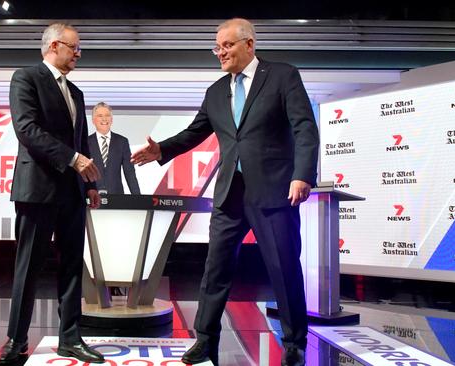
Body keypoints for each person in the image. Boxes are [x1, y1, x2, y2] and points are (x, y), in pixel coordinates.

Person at [131, 18, 319, 366]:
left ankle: (294, 342)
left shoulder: (282, 76)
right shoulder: (217, 91)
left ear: (249, 44)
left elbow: (304, 126)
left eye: (227, 45)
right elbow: (195, 132)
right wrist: (162, 151)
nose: (220, 52)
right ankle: (204, 339)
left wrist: (302, 174)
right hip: (230, 195)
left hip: (275, 192)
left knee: (284, 269)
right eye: (217, 47)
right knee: (214, 270)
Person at [0, 23, 105, 365]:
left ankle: (70, 339)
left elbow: (80, 142)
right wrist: (73, 160)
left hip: (72, 193)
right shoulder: (25, 78)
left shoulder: (76, 92)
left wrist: (89, 184)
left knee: (73, 267)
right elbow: (26, 129)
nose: (78, 53)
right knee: (28, 268)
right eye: (74, 47)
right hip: (38, 190)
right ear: (54, 45)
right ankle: (16, 341)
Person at [89, 102, 141, 195]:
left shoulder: (122, 142)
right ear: (93, 120)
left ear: (112, 119)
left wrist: (139, 199)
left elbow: (129, 172)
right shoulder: (85, 142)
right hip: (91, 197)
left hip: (117, 197)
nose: (104, 119)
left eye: (107, 115)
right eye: (100, 116)